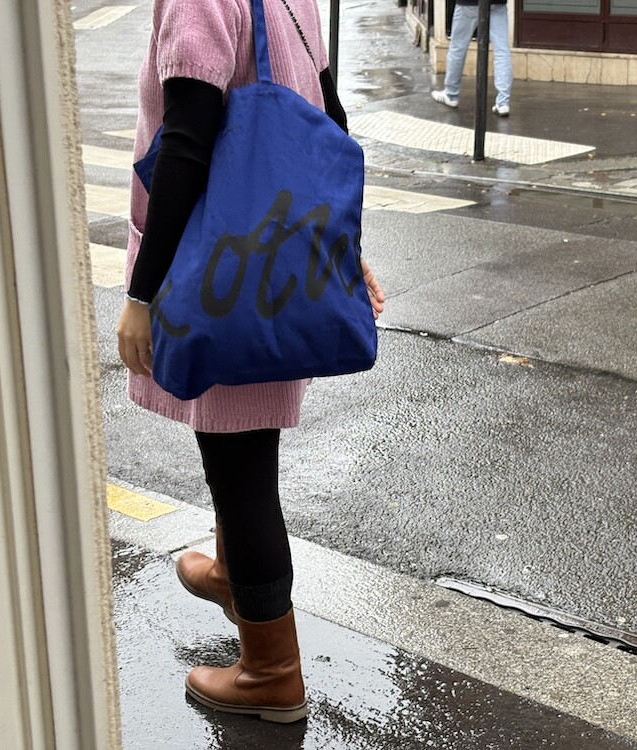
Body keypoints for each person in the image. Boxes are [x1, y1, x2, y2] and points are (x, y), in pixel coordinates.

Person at [116, 0, 384, 724]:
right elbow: (330, 121)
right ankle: (234, 571)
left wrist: (141, 293)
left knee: (243, 475)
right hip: (279, 262)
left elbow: (187, 139)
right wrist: (342, 253)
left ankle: (271, 672)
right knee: (236, 447)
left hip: (225, 272)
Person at [431, 0, 513, 116]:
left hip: (468, 3)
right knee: (501, 49)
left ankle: (451, 94)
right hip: (497, 2)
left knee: (458, 47)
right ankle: (503, 102)